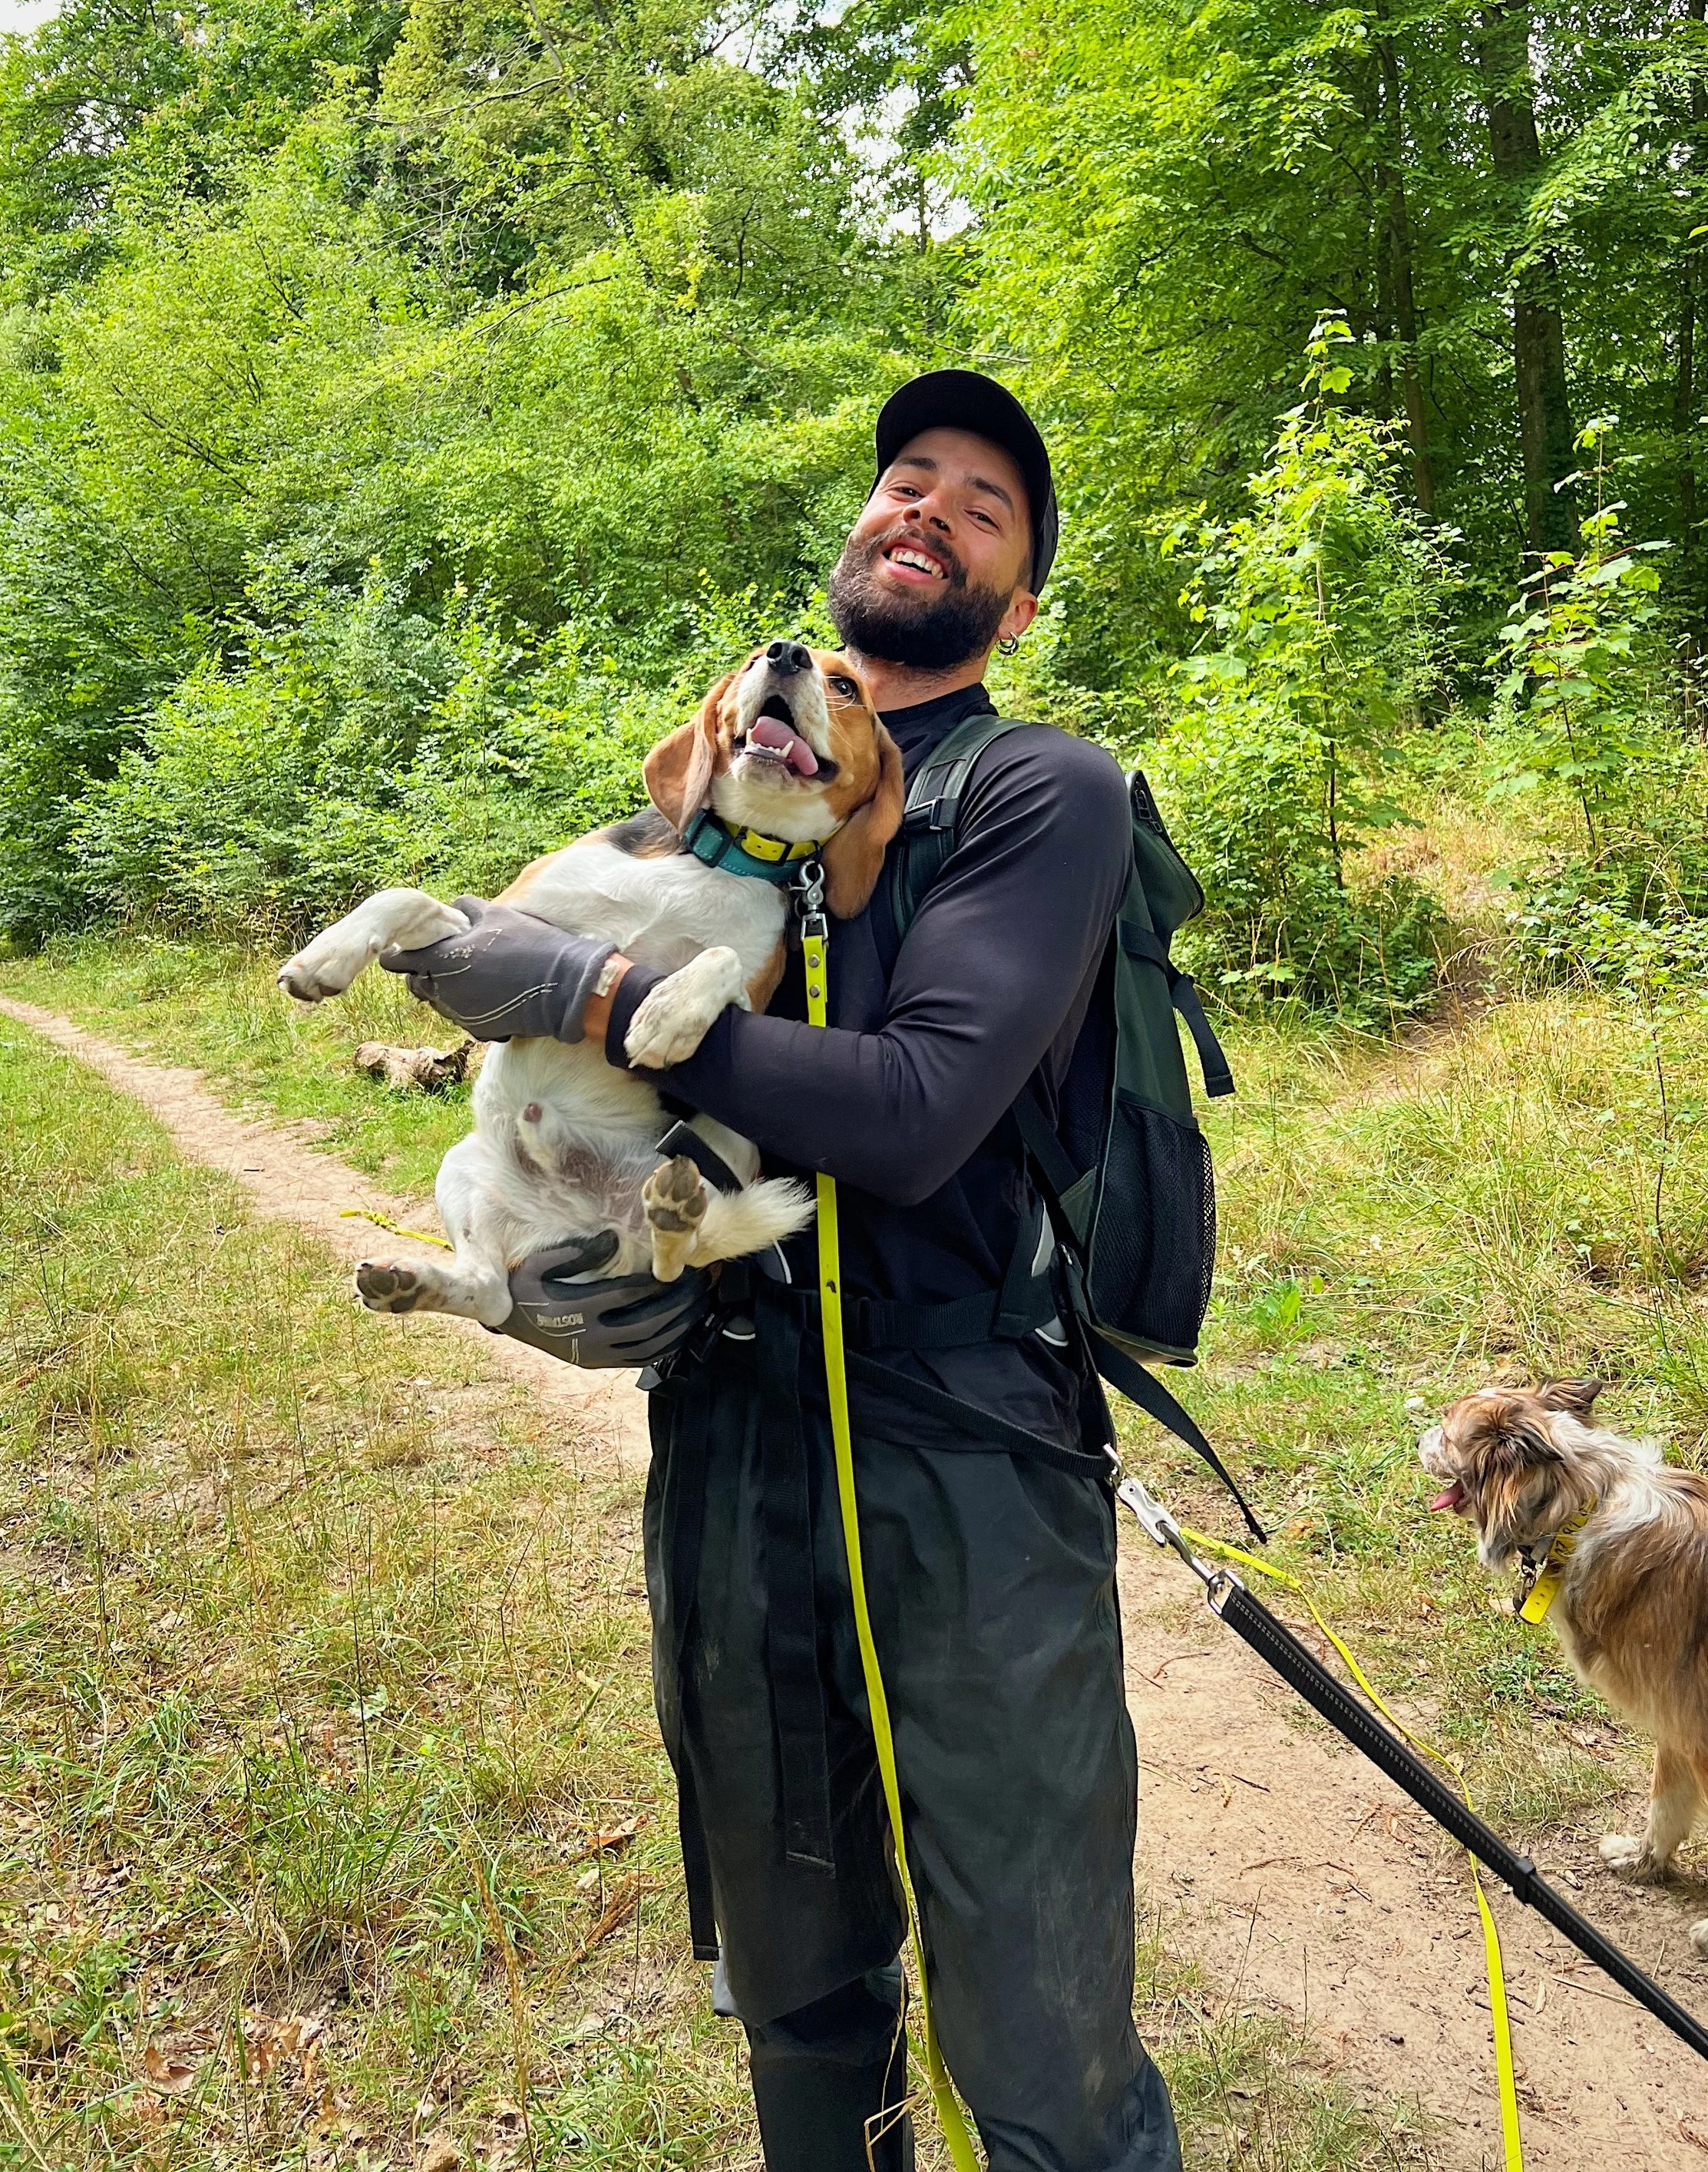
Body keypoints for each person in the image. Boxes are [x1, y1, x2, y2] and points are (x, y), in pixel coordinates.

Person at [385, 372, 1181, 2172]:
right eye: (904, 482)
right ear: (849, 538)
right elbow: (589, 1101)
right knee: (796, 1987)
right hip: (733, 1439)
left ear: (1022, 597)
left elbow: (908, 1114)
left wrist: (585, 998)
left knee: (1038, 2028)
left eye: (983, 507)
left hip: (967, 1452)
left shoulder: (1032, 793)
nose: (928, 512)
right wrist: (587, 1256)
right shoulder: (712, 809)